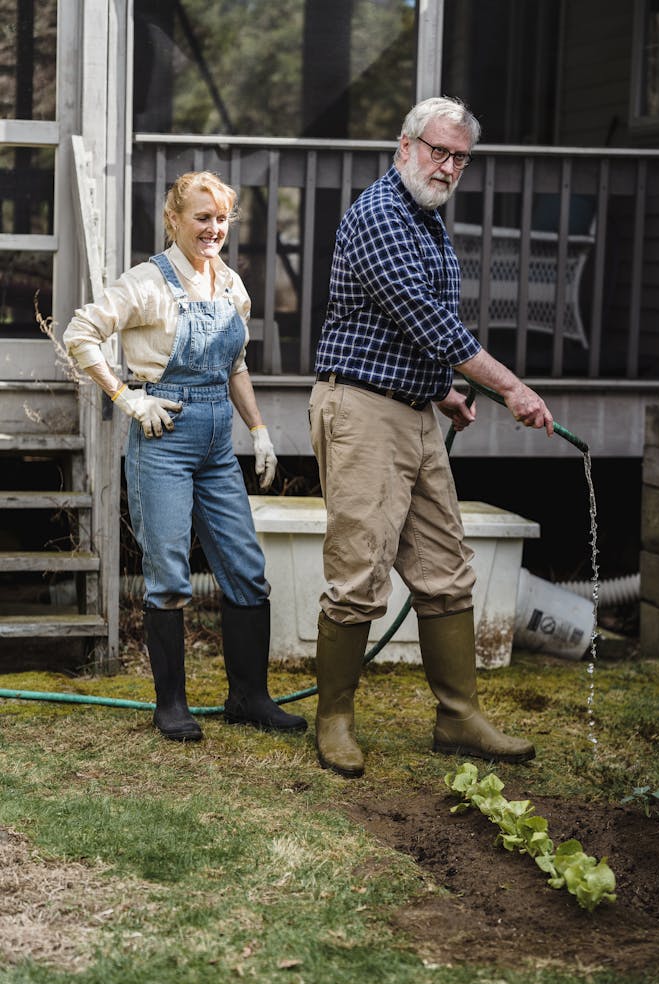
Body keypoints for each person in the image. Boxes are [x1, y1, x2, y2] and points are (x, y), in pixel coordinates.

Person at [309, 96, 555, 778]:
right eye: (436, 151)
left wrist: (441, 390)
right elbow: (428, 324)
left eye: (458, 157)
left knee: (445, 569)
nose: (446, 166)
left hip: (412, 407)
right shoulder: (384, 213)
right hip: (360, 410)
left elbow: (399, 330)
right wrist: (508, 385)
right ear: (404, 146)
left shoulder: (425, 220)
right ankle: (333, 721)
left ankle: (458, 717)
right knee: (359, 571)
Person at [64, 170, 306, 741]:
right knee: (169, 575)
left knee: (247, 570)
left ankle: (250, 697)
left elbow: (235, 367)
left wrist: (260, 428)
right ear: (174, 219)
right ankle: (170, 705)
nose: (213, 229)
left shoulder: (231, 286)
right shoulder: (147, 283)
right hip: (163, 439)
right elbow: (80, 333)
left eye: (221, 218)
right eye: (202, 217)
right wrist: (128, 398)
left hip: (219, 444)